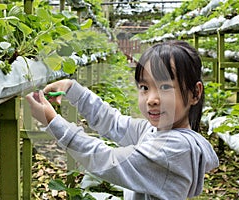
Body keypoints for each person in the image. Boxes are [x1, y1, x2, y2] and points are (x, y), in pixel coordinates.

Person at [26, 40, 219, 199]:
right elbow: (113, 123)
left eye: (165, 87)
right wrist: (73, 90)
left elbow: (107, 161)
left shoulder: (175, 148)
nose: (152, 99)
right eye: (144, 87)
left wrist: (52, 121)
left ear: (195, 93)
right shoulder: (157, 131)